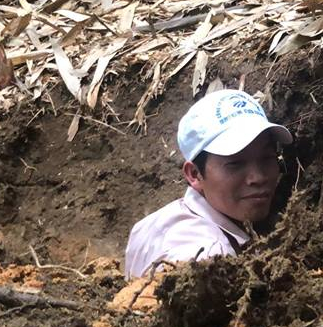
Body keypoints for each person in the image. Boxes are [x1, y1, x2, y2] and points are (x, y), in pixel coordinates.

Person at [124, 89, 293, 279]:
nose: (258, 177)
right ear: (194, 174)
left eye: (267, 158)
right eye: (235, 163)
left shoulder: (149, 225)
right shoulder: (211, 262)